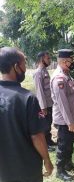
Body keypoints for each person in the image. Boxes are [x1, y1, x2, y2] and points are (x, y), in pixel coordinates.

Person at [0, 47, 53, 182]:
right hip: (27, 169)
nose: (25, 67)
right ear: (16, 67)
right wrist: (47, 160)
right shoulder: (28, 98)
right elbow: (37, 136)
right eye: (24, 63)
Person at [50, 49, 74, 181]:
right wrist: (70, 122)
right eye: (71, 61)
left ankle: (68, 164)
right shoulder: (59, 78)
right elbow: (62, 103)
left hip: (71, 118)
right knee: (63, 145)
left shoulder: (66, 74)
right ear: (64, 61)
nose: (73, 63)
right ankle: (60, 170)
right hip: (65, 120)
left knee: (70, 142)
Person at [33, 51, 57, 152]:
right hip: (44, 105)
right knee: (44, 125)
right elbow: (40, 91)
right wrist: (43, 107)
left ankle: (49, 140)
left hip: (49, 103)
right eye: (48, 58)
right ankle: (45, 145)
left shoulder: (44, 71)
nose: (49, 60)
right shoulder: (38, 73)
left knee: (49, 123)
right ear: (41, 59)